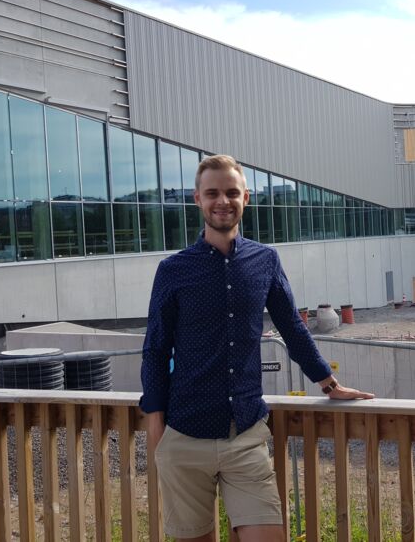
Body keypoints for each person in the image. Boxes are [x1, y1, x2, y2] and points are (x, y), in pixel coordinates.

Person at [140, 154, 374, 542]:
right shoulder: (173, 269)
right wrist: (155, 422)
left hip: (245, 435)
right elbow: (155, 349)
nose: (222, 201)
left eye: (231, 192)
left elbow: (292, 329)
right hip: (184, 437)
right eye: (212, 193)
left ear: (245, 198)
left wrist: (330, 384)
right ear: (197, 199)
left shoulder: (264, 260)